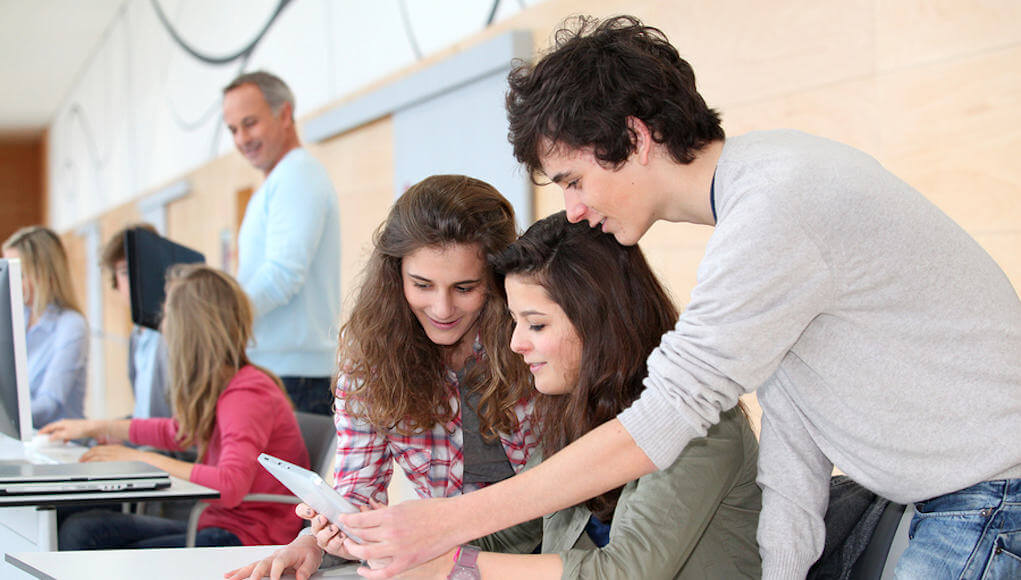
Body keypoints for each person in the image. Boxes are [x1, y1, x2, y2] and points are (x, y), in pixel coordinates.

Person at [336, 15, 1021, 580]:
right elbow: (794, 438)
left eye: (572, 179)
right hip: (962, 496)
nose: (572, 210)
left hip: (987, 494)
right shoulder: (764, 199)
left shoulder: (775, 206)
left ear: (632, 139)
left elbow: (666, 417)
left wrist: (447, 524)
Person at [397, 211, 761, 579]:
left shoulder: (701, 425)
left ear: (598, 322)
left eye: (536, 324)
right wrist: (390, 545)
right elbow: (505, 538)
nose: (516, 343)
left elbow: (624, 572)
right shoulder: (574, 414)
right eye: (515, 321)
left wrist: (460, 566)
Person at [225, 175, 538, 580]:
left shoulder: (531, 341)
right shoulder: (372, 362)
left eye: (465, 288)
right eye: (422, 285)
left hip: (543, 557)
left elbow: (564, 483)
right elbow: (358, 488)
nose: (442, 309)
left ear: (497, 280)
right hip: (440, 563)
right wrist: (314, 543)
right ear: (396, 275)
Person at [43, 264, 310, 549]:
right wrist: (97, 426)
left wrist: (144, 460)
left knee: (94, 543)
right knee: (81, 529)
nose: (163, 322)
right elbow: (178, 432)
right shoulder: (228, 384)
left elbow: (230, 486)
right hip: (217, 524)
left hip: (245, 538)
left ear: (189, 329)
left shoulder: (247, 393)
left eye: (168, 313)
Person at [223, 70, 341, 415]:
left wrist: (218, 315)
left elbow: (282, 275)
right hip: (282, 371)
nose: (242, 138)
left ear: (285, 114)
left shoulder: (297, 174)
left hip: (295, 377)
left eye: (250, 123)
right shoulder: (279, 181)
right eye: (233, 130)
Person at [2, 226, 88, 428]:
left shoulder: (71, 326)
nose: (9, 282)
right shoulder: (18, 319)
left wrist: (7, 418)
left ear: (43, 273)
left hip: (60, 445)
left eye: (19, 275)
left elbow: (49, 405)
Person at [99, 223, 172, 419]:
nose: (134, 279)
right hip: (146, 441)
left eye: (141, 267)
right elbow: (144, 413)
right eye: (124, 272)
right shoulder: (137, 334)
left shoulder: (172, 331)